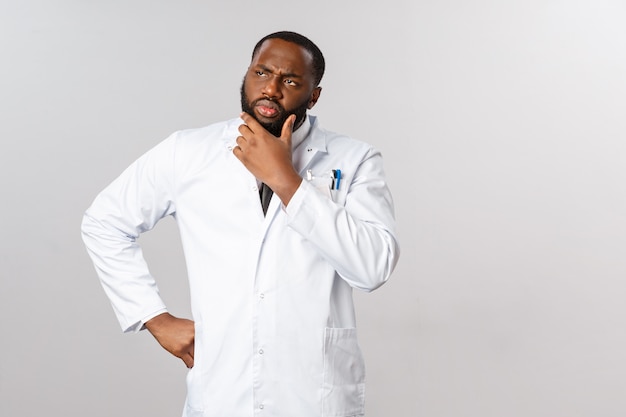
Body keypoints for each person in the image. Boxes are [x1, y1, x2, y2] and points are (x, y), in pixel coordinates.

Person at [81, 31, 400, 417]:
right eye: (262, 72)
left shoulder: (355, 159)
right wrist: (154, 317)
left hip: (314, 397)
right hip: (221, 394)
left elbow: (372, 268)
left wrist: (287, 181)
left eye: (291, 80)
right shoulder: (188, 151)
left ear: (313, 96)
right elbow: (104, 221)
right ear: (246, 76)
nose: (271, 89)